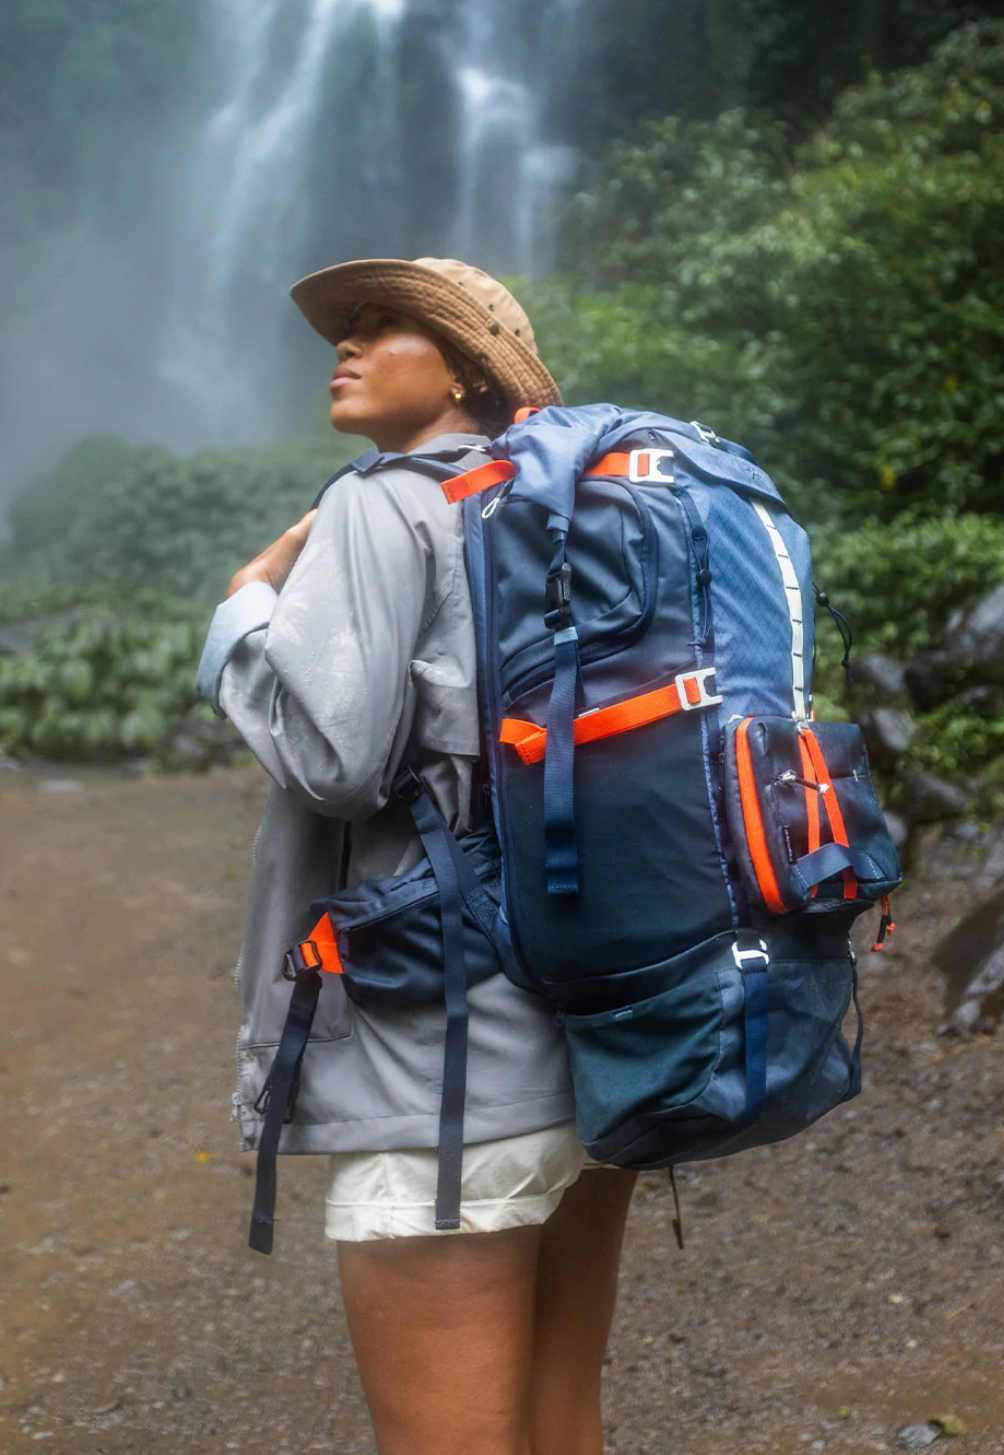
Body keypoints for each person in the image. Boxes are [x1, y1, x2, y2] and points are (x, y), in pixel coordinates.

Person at [195, 257, 637, 1455]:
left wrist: (241, 615)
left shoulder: (378, 503)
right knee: (559, 1422)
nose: (346, 343)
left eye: (388, 325)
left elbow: (334, 760)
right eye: (348, 328)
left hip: (439, 1064)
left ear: (470, 370)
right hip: (592, 1044)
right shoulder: (570, 510)